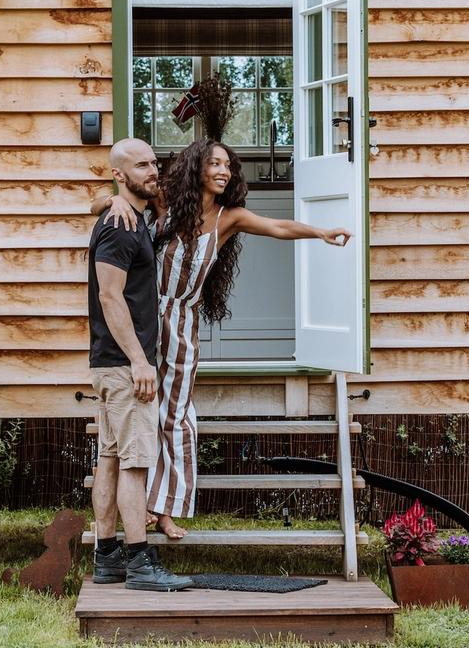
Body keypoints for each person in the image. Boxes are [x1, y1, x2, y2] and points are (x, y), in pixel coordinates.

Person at [93, 138, 350, 539]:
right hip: (142, 320)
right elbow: (100, 200)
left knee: (174, 417)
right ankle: (139, 506)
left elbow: (279, 226)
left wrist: (320, 231)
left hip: (180, 324)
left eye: (228, 165)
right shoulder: (163, 201)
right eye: (214, 163)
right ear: (197, 168)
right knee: (143, 414)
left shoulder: (228, 218)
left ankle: (162, 508)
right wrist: (114, 202)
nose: (223, 170)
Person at [86, 138, 192, 592]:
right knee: (134, 462)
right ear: (118, 174)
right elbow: (109, 295)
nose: (153, 170)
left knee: (109, 458)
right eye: (141, 165)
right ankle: (139, 564)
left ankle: (107, 557)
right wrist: (138, 360)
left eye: (154, 162)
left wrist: (112, 198)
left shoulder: (130, 215)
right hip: (124, 365)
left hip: (112, 365)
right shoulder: (118, 225)